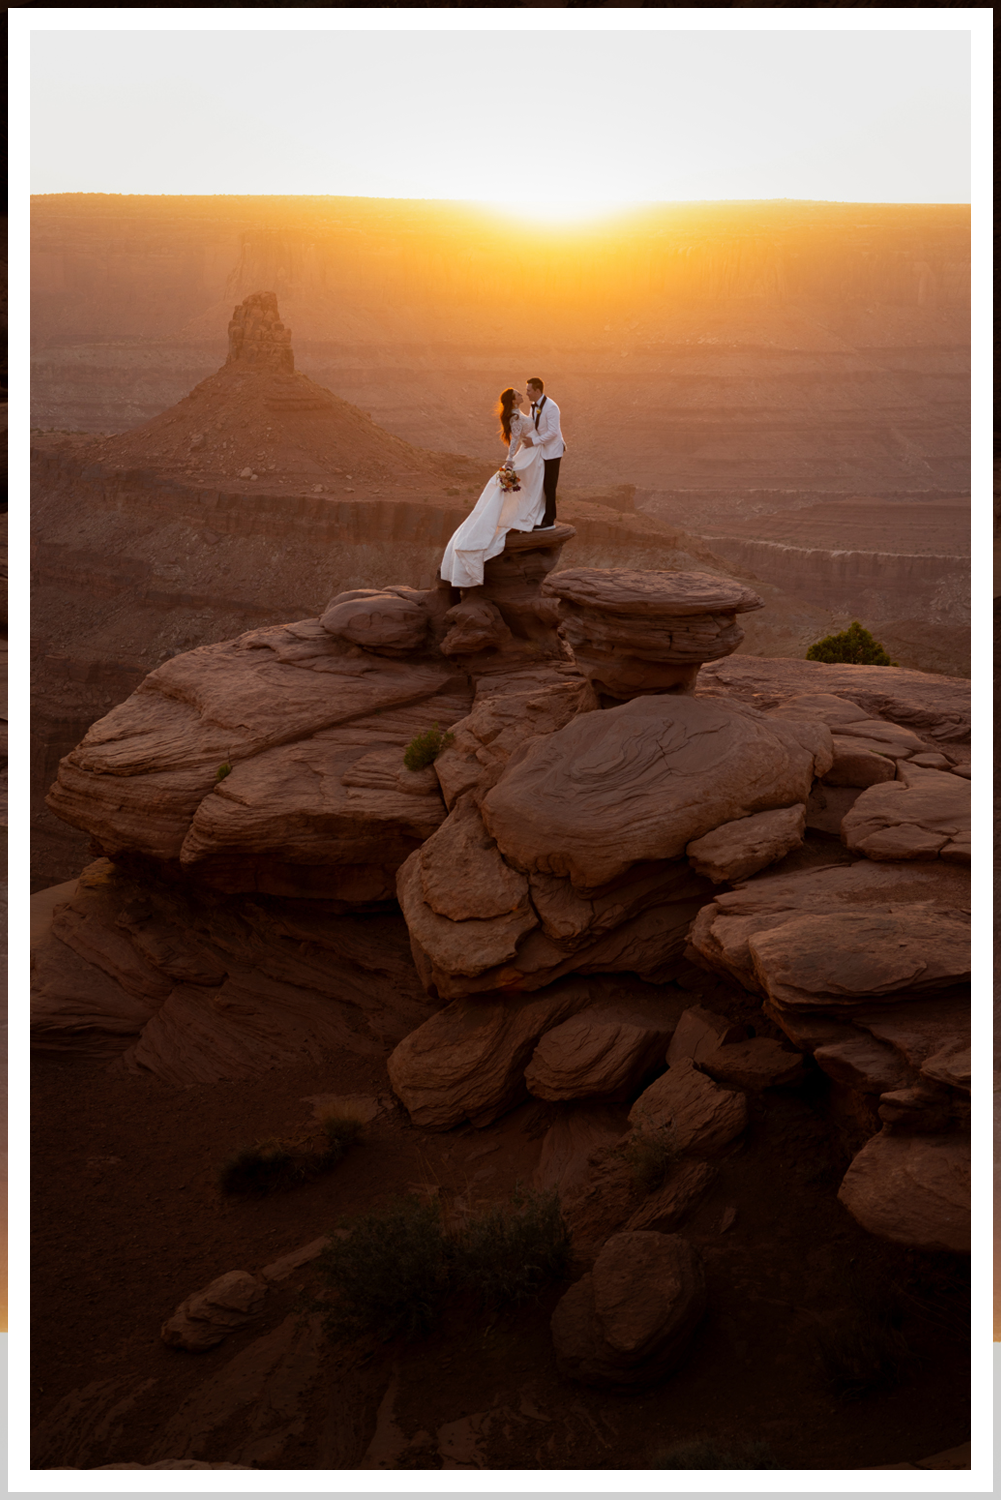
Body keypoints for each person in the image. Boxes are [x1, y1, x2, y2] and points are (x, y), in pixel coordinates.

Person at [439, 387, 546, 588]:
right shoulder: (515, 416)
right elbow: (514, 440)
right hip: (527, 455)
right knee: (514, 488)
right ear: (513, 400)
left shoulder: (519, 412)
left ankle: (528, 516)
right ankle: (515, 519)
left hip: (533, 452)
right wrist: (510, 462)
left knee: (530, 487)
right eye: (518, 394)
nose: (522, 394)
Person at [526, 377, 565, 529]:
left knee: (549, 485)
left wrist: (534, 442)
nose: (527, 393)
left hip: (553, 452)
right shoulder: (533, 406)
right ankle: (539, 515)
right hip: (541, 450)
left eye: (529, 390)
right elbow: (532, 423)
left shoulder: (551, 407)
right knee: (539, 484)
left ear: (537, 390)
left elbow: (553, 433)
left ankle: (549, 520)